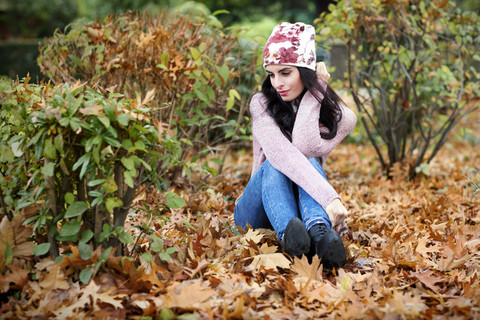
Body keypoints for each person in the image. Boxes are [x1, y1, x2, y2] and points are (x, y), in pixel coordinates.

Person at [234, 22, 357, 269]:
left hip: (303, 212)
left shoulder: (340, 116)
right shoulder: (261, 103)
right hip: (255, 212)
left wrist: (315, 92)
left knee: (308, 159)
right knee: (276, 162)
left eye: (285, 72)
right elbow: (285, 153)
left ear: (305, 70)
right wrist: (328, 198)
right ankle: (292, 238)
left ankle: (319, 236)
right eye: (272, 74)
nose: (277, 83)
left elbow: (305, 145)